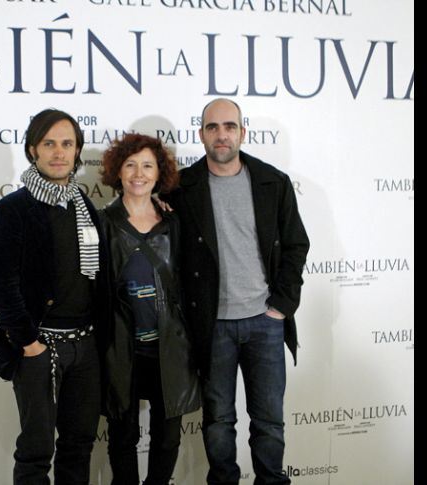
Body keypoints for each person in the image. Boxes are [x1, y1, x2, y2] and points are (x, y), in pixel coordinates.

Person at [161, 99, 310, 485]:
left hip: (265, 322)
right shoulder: (182, 188)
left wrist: (281, 305)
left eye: (229, 126)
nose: (221, 134)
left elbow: (296, 245)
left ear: (242, 132)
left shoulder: (272, 182)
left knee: (269, 422)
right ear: (202, 134)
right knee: (218, 422)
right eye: (213, 127)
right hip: (212, 327)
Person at [0, 108, 105, 485]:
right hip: (39, 346)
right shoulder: (13, 209)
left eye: (67, 144)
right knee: (37, 452)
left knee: (78, 445)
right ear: (33, 149)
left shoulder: (84, 206)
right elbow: (0, 286)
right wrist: (29, 343)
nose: (58, 152)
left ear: (77, 151)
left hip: (85, 347)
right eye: (49, 143)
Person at [98, 133, 201, 485]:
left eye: (147, 165)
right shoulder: (103, 223)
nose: (138, 173)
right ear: (117, 172)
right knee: (123, 435)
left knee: (168, 434)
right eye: (130, 165)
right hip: (121, 345)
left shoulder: (174, 222)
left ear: (159, 174)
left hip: (169, 346)